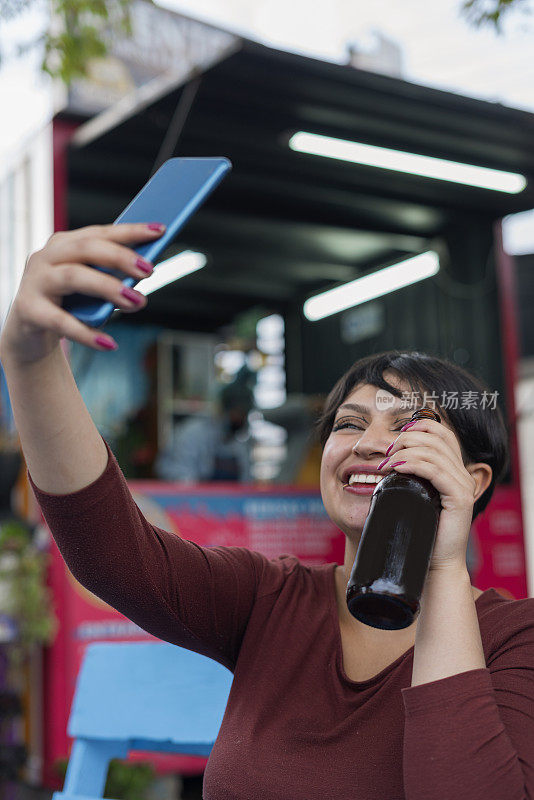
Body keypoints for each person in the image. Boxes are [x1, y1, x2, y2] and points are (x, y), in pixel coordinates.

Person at [1, 223, 533, 800]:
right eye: (349, 424)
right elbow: (112, 553)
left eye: (409, 425)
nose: (367, 443)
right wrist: (30, 359)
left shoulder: (515, 639)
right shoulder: (269, 599)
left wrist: (441, 567)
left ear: (475, 481)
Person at [155, 369, 255, 483]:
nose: (240, 419)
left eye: (244, 415)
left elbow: (246, 483)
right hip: (193, 499)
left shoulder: (239, 443)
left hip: (229, 500)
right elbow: (180, 478)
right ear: (223, 411)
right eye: (236, 414)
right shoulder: (192, 434)